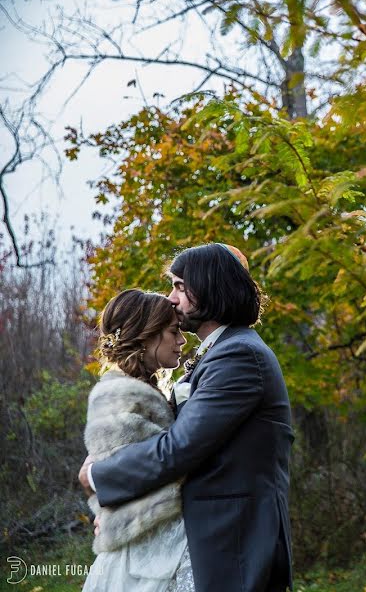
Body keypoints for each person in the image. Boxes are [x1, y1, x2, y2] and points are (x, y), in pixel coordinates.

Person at [79, 243, 295, 592]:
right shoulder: (221, 354)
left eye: (180, 286)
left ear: (209, 287)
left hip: (233, 541)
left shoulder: (239, 355)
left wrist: (99, 477)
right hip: (212, 538)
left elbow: (179, 448)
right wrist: (122, 516)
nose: (172, 299)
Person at [82, 289, 192, 592]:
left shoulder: (141, 390)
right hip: (144, 548)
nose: (182, 341)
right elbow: (145, 471)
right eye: (173, 331)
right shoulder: (123, 395)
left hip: (154, 538)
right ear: (145, 337)